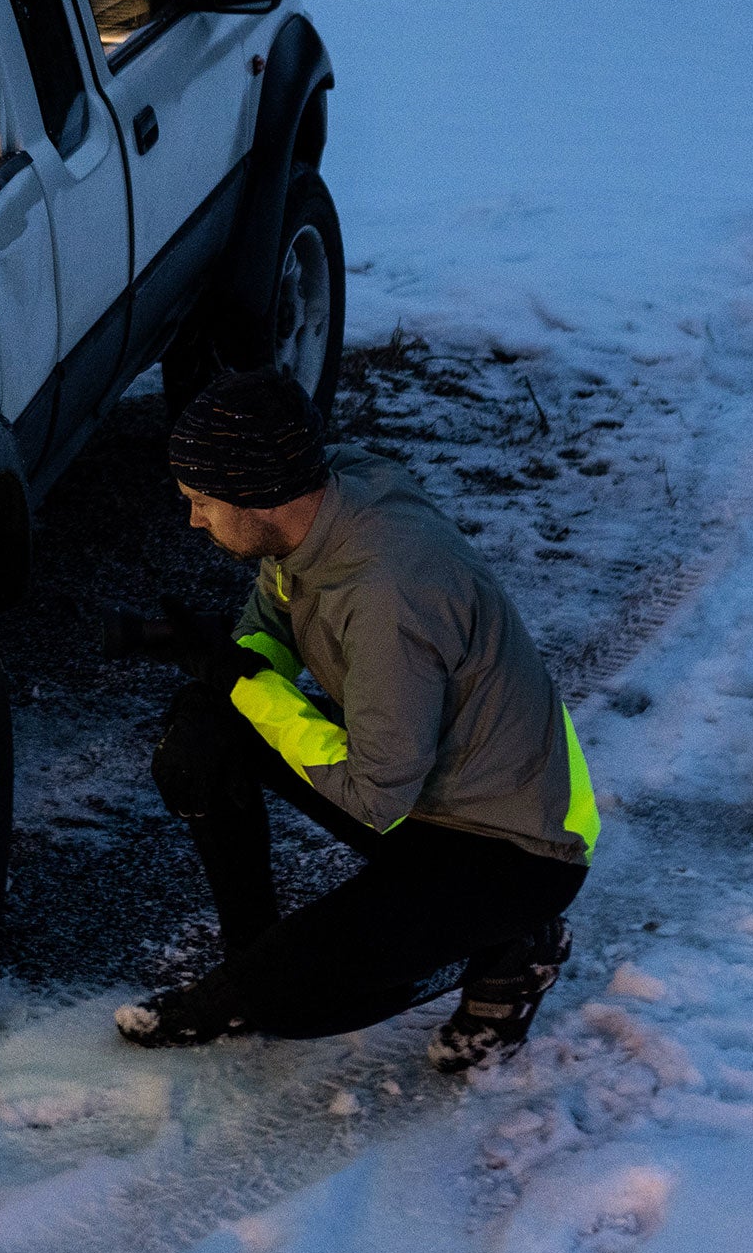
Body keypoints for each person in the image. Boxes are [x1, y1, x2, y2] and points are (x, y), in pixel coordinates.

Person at [116, 367, 598, 1069]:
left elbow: (376, 797)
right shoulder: (327, 496)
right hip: (428, 784)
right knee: (204, 727)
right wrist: (233, 671)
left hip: (508, 847)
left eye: (201, 501)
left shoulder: (385, 597)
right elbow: (272, 616)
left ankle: (511, 947)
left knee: (296, 1006)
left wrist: (240, 681)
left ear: (256, 496)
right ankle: (251, 962)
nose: (193, 519)